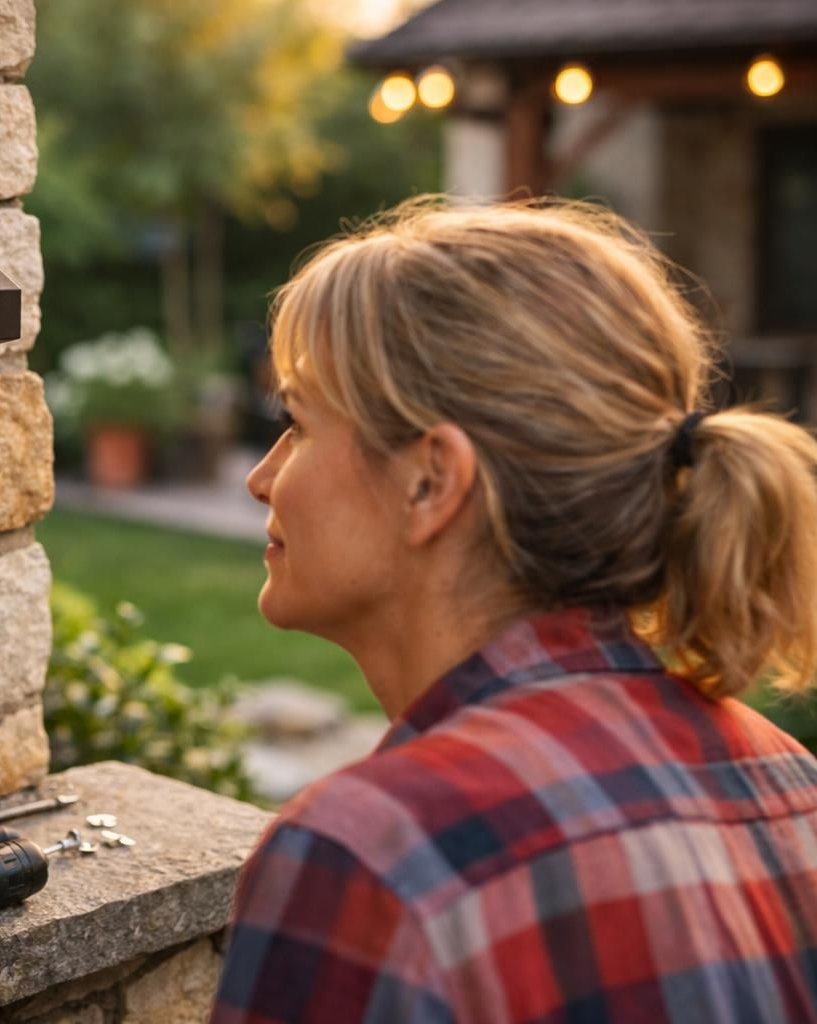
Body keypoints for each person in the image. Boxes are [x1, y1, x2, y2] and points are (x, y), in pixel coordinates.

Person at [212, 197, 817, 1023]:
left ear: (432, 480)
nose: (263, 478)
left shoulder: (368, 859)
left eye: (298, 423)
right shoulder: (793, 783)